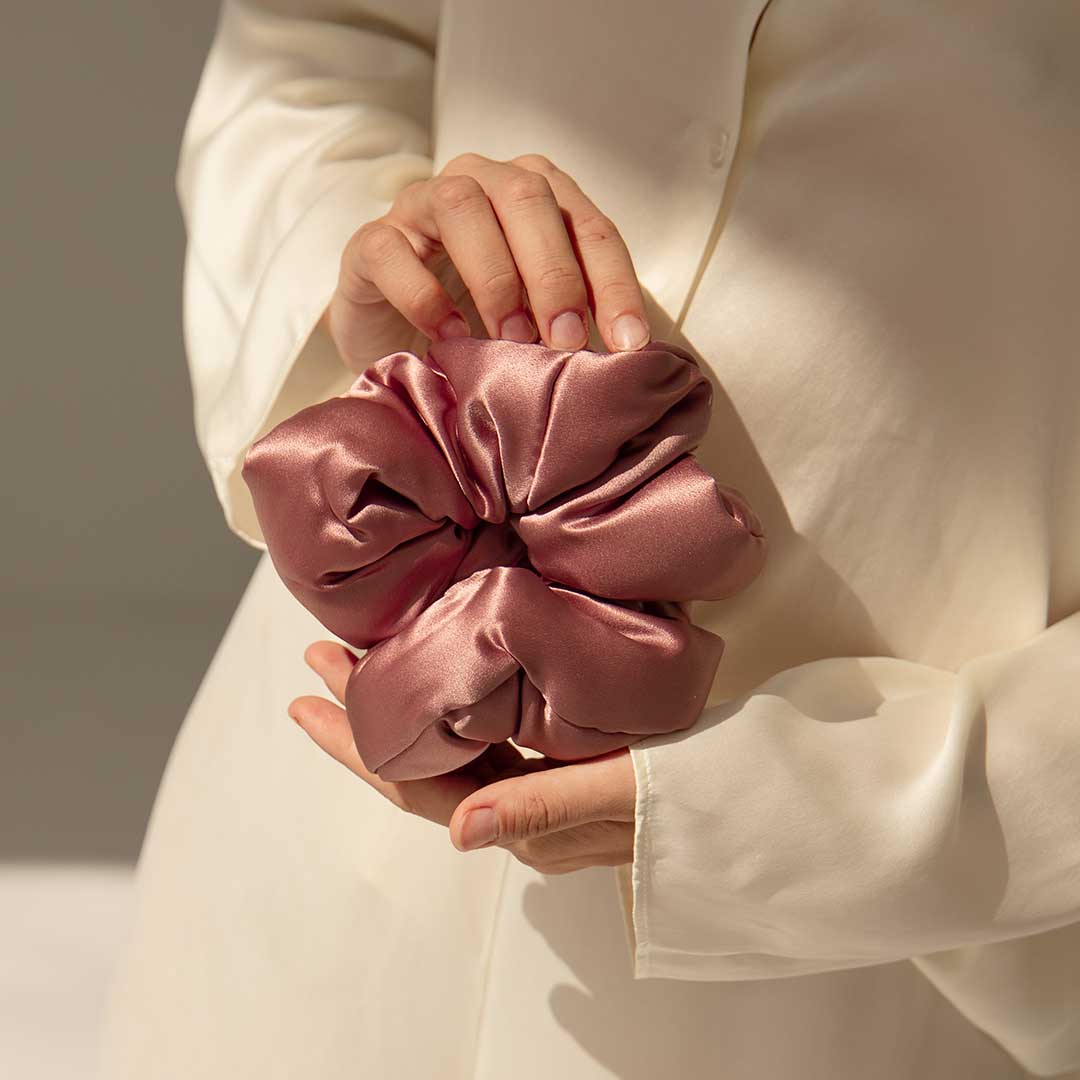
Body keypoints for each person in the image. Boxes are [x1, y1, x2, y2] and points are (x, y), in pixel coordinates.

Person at [99, 1, 1080, 1077]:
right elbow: (312, 39)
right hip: (307, 861)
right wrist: (356, 290)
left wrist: (865, 806)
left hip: (869, 959)